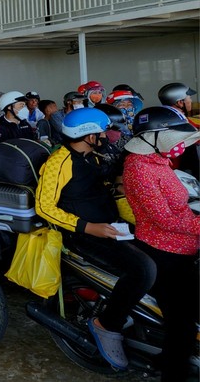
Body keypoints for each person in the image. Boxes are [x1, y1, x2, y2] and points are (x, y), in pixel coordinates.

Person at [36, 108, 156, 371]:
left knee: (165, 254)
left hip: (113, 227)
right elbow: (44, 207)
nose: (106, 136)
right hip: (83, 236)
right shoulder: (59, 161)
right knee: (143, 269)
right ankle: (107, 324)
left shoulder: (95, 156)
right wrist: (88, 227)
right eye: (101, 132)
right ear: (88, 135)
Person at [123, 106, 200, 382]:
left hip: (183, 247)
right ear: (153, 137)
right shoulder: (139, 169)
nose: (179, 144)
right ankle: (172, 373)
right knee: (182, 322)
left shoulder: (158, 160)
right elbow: (164, 219)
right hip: (164, 253)